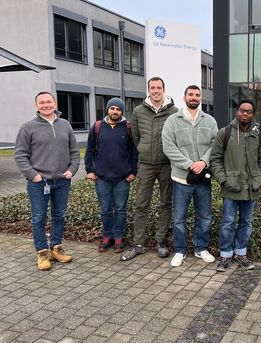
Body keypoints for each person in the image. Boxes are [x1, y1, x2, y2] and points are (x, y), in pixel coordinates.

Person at [15, 91, 80, 270]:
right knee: (39, 218)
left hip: (62, 181)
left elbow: (74, 151)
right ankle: (42, 253)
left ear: (55, 104)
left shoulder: (65, 125)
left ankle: (56, 249)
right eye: (42, 102)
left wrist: (72, 170)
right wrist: (33, 175)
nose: (46, 105)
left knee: (59, 216)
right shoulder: (27, 127)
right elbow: (20, 155)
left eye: (49, 102)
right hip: (39, 182)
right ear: (36, 106)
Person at [121, 77, 178, 261]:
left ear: (164, 89)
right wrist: (143, 150)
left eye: (158, 87)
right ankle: (138, 244)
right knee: (141, 204)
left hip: (166, 165)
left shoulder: (174, 112)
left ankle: (160, 241)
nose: (155, 91)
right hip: (145, 165)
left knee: (165, 203)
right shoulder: (138, 111)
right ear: (148, 90)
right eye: (152, 88)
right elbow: (136, 137)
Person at [162, 85, 218, 267]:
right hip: (181, 178)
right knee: (179, 218)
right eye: (190, 94)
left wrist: (203, 162)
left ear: (200, 98)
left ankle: (201, 248)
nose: (194, 97)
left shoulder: (209, 121)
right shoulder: (172, 120)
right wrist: (188, 164)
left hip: (202, 178)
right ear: (184, 97)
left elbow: (215, 145)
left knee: (205, 217)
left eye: (197, 95)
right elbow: (169, 147)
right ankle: (180, 250)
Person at [210, 100, 261, 271]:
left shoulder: (258, 134)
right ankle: (225, 255)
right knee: (228, 222)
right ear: (237, 112)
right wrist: (223, 180)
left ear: (253, 114)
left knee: (246, 222)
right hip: (231, 186)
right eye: (242, 110)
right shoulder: (225, 132)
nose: (245, 114)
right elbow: (215, 159)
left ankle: (241, 253)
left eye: (249, 112)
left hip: (251, 187)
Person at [84, 98, 138, 253]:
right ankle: (107, 236)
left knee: (120, 209)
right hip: (102, 178)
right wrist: (89, 170)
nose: (115, 111)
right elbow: (89, 150)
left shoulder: (128, 128)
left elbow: (134, 152)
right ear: (107, 110)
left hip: (122, 178)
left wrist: (133, 172)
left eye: (118, 109)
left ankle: (119, 237)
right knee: (105, 209)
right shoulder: (97, 127)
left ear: (122, 112)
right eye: (112, 108)